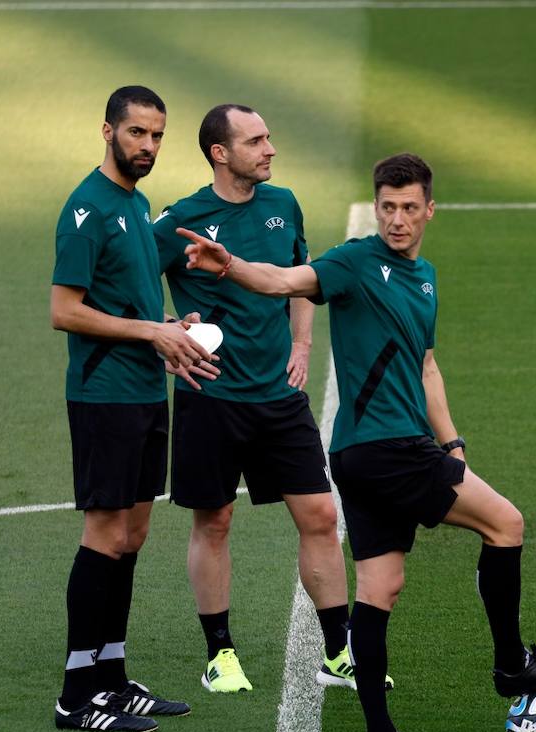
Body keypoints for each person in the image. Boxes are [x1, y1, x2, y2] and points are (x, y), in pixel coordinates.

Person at [177, 153, 536, 732]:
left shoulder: (424, 276)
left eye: (408, 208)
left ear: (429, 210)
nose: (397, 219)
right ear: (377, 208)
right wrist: (232, 265)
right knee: (506, 524)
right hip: (387, 449)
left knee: (380, 587)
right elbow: (284, 281)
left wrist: (450, 443)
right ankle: (511, 665)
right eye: (387, 207)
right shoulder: (353, 262)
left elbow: (426, 367)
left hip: (369, 453)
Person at [153, 104, 380, 695]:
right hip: (211, 395)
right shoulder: (181, 220)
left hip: (278, 396)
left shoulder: (283, 205)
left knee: (320, 516)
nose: (270, 149)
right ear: (219, 153)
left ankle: (337, 652)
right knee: (216, 519)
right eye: (256, 141)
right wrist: (167, 328)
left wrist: (302, 342)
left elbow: (302, 274)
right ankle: (220, 653)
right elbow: (124, 286)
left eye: (268, 138)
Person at [49, 86, 210, 732]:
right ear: (108, 131)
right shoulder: (86, 209)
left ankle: (111, 677)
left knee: (135, 534)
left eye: (157, 136)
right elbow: (64, 309)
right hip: (104, 395)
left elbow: (131, 305)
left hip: (146, 390)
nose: (147, 146)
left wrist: (172, 328)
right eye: (136, 133)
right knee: (105, 535)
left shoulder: (138, 206)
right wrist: (151, 334)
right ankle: (75, 693)